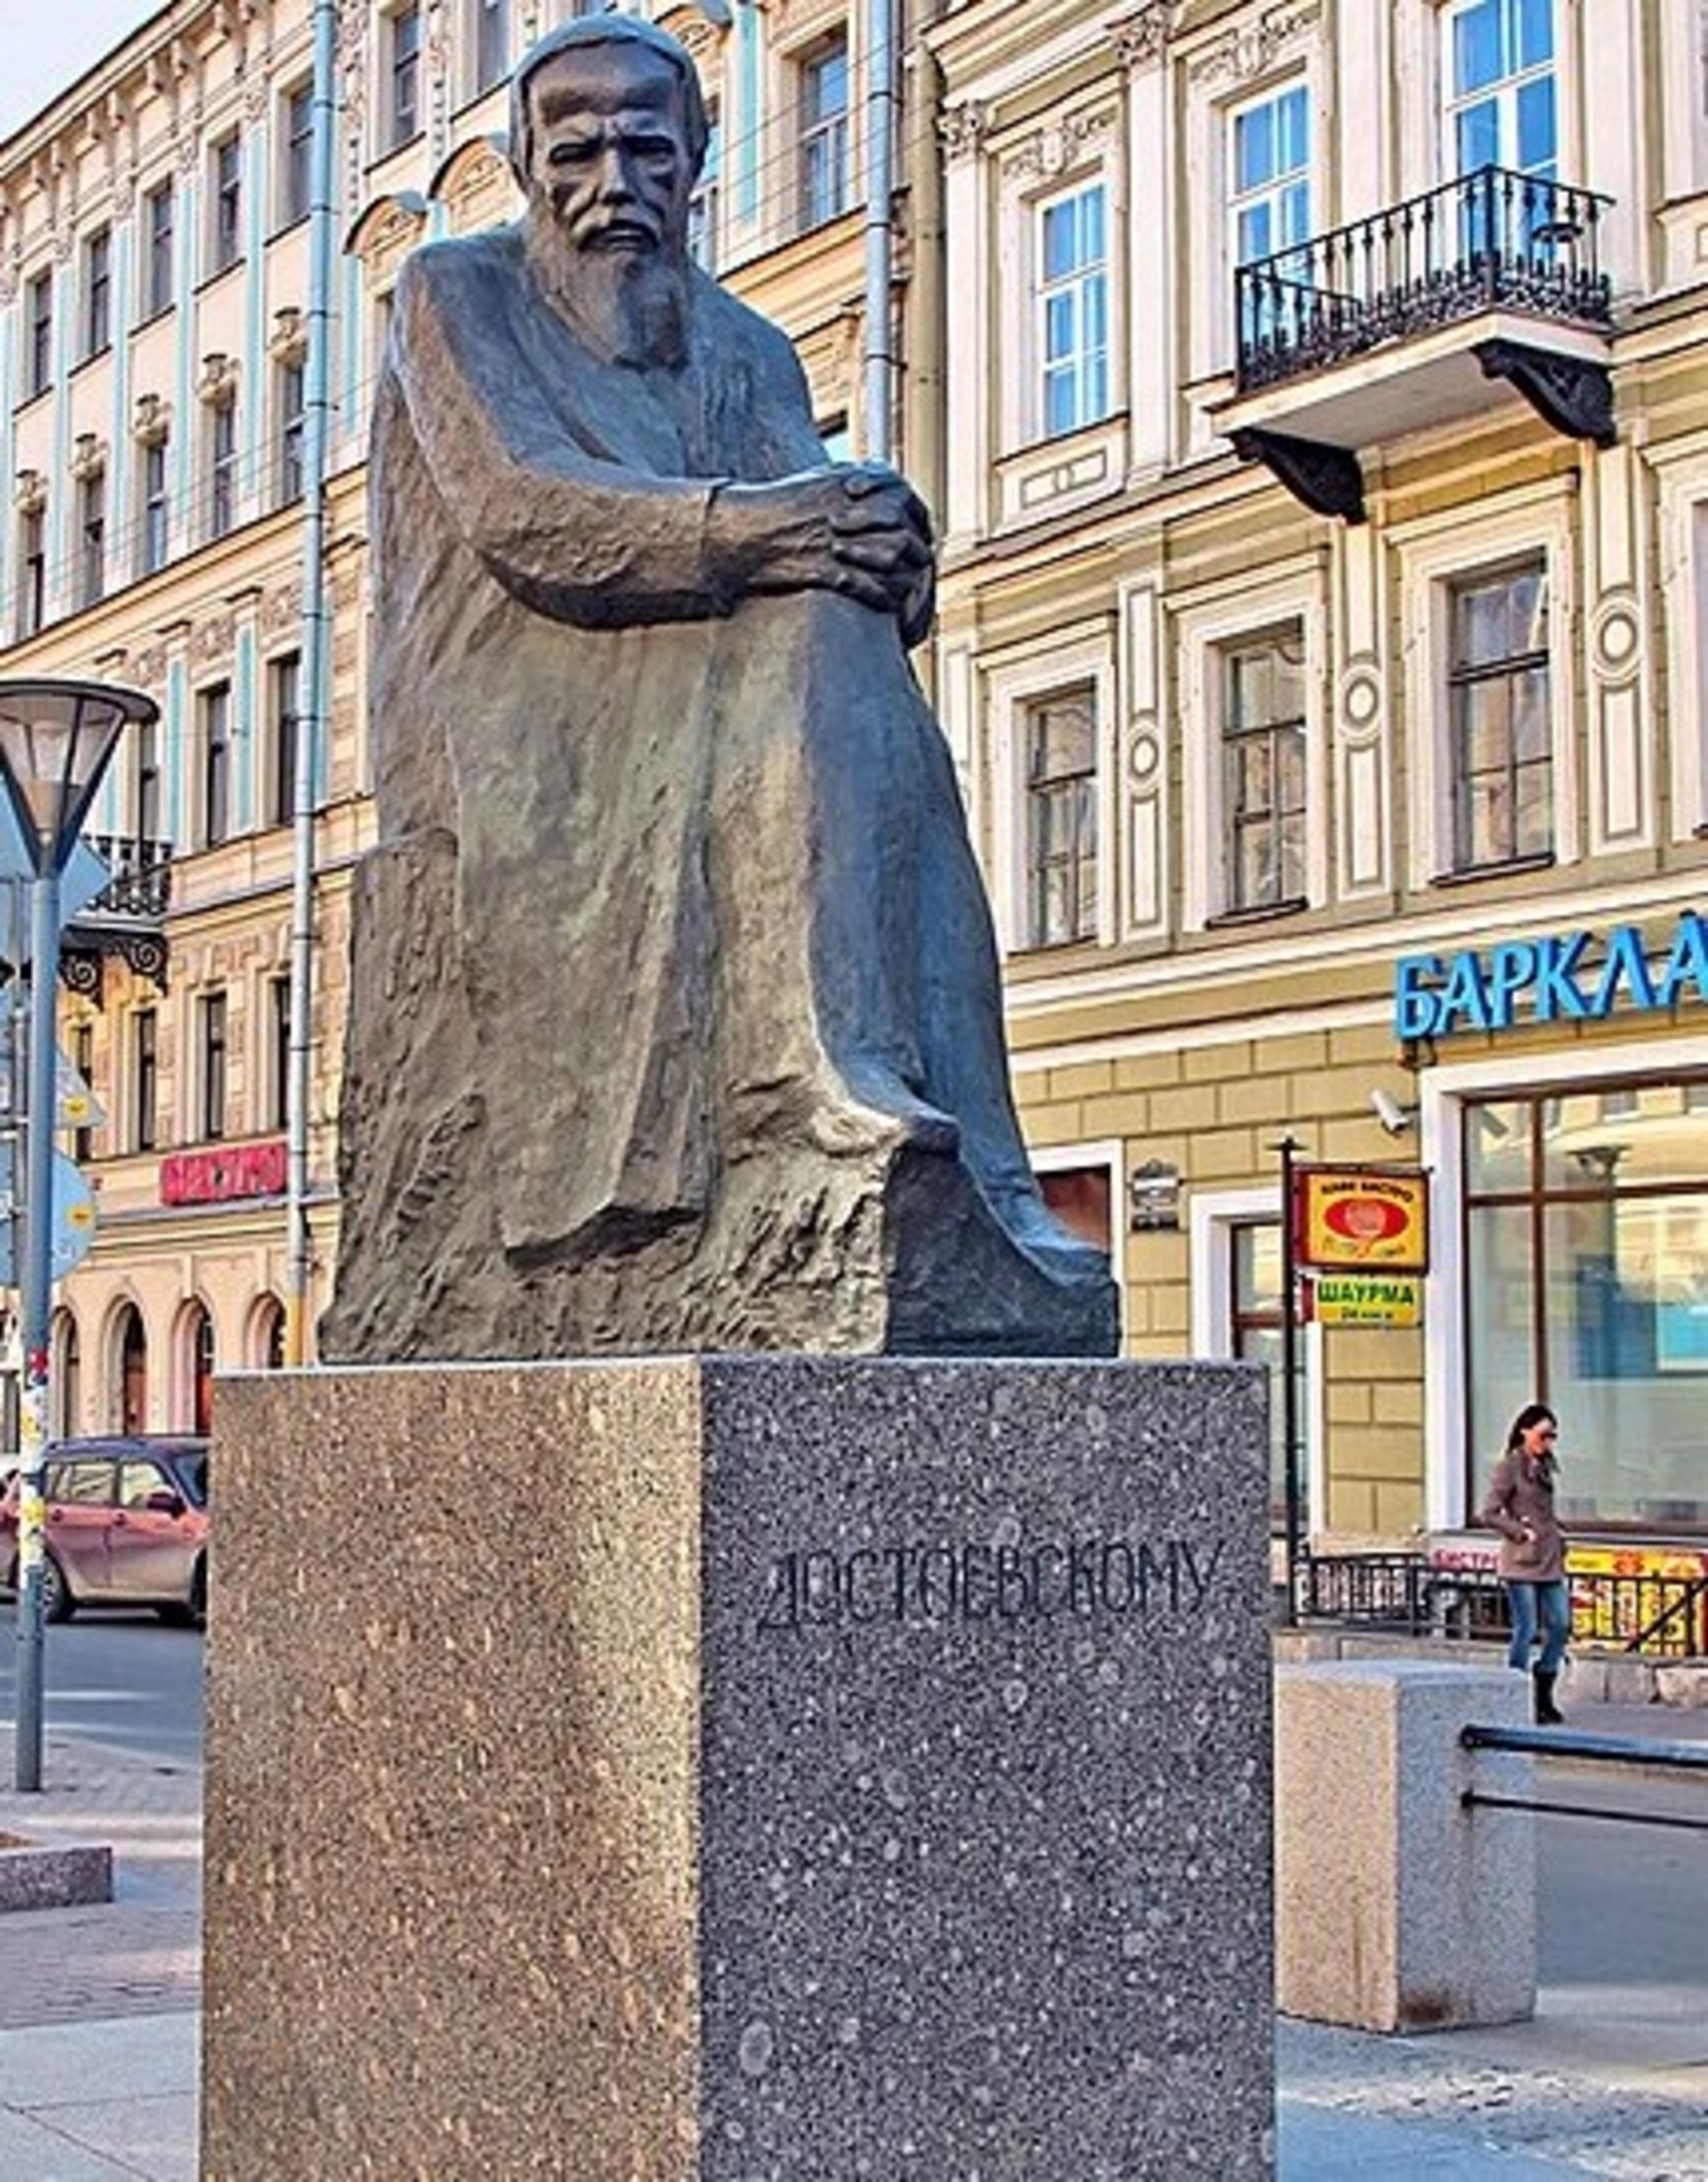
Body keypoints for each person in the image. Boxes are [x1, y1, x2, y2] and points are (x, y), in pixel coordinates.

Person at [322, 14, 1115, 1362]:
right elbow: (524, 514)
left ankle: (953, 1138)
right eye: (573, 151)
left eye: (644, 145)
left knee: (845, 645)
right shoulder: (449, 293)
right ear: (523, 164)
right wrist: (781, 535)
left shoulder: (746, 347)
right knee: (805, 614)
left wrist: (884, 547)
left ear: (696, 155)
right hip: (510, 700)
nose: (610, 181)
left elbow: (802, 524)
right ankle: (798, 1084)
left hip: (677, 672)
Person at [1480, 1402, 1569, 1722]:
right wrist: (1520, 1532)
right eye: (1544, 1435)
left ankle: (1543, 1689)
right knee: (1526, 1628)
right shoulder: (1509, 1467)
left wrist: (1557, 1533)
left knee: (1560, 1625)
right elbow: (1488, 1513)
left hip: (1550, 1558)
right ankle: (1514, 1693)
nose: (1548, 1443)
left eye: (1553, 1437)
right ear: (1525, 1432)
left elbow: (1545, 1510)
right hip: (1521, 1561)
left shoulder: (1545, 1466)